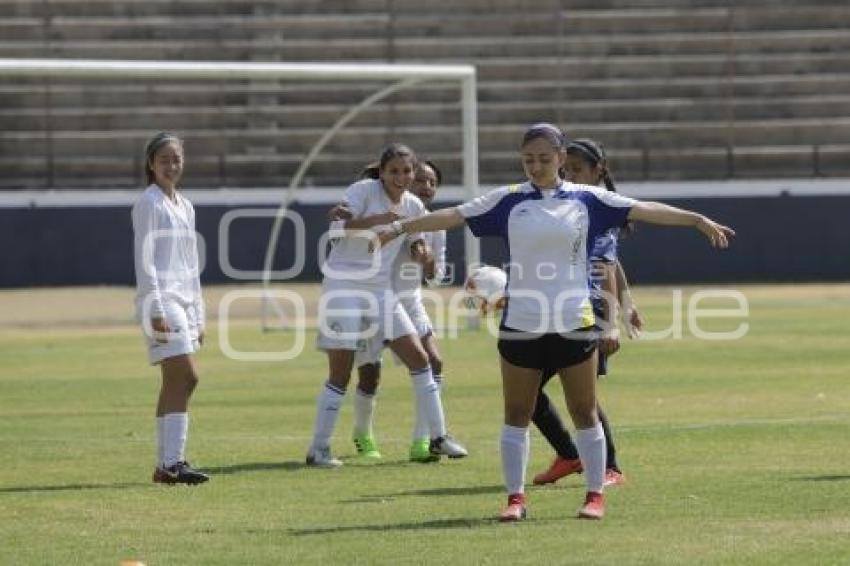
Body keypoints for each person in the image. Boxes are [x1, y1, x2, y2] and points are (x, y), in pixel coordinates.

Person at [373, 123, 734, 521]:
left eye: (545, 159)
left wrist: (696, 219)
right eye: (529, 159)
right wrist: (397, 227)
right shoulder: (508, 200)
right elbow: (453, 216)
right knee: (516, 413)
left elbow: (644, 209)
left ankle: (595, 495)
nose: (536, 166)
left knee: (584, 410)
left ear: (561, 159)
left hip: (573, 320)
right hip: (520, 322)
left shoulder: (588, 199)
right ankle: (515, 499)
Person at [306, 144, 467, 468]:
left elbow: (415, 238)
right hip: (344, 286)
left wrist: (423, 252)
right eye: (394, 171)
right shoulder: (364, 190)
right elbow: (338, 229)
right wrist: (381, 220)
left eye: (406, 171)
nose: (401, 177)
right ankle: (318, 448)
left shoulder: (414, 204)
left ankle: (438, 436)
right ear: (382, 173)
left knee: (421, 359)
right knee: (342, 372)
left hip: (380, 290)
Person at [532, 138, 643, 488]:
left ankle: (609, 466)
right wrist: (628, 303)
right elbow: (615, 263)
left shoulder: (596, 210)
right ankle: (570, 455)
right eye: (568, 169)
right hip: (557, 305)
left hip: (587, 312)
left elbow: (604, 267)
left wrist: (611, 323)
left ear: (599, 171)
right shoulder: (573, 207)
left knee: (581, 398)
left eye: (578, 170)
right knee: (529, 390)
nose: (570, 175)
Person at [131, 132, 209, 485]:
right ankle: (172, 462)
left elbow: (190, 265)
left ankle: (166, 466)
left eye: (176, 159)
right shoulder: (149, 203)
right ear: (151, 164)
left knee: (175, 380)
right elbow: (145, 262)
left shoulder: (186, 205)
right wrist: (155, 308)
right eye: (164, 160)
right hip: (160, 301)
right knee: (187, 376)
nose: (171, 166)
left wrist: (199, 315)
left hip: (183, 303)